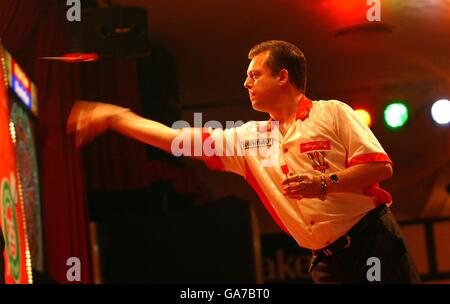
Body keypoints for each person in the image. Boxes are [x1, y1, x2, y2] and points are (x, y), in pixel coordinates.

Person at [67, 40, 420, 283]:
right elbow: (177, 140)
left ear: (283, 76)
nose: (245, 82)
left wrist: (323, 183)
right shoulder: (252, 139)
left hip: (373, 241)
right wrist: (118, 118)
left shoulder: (331, 112)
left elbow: (379, 168)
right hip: (327, 263)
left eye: (255, 75)